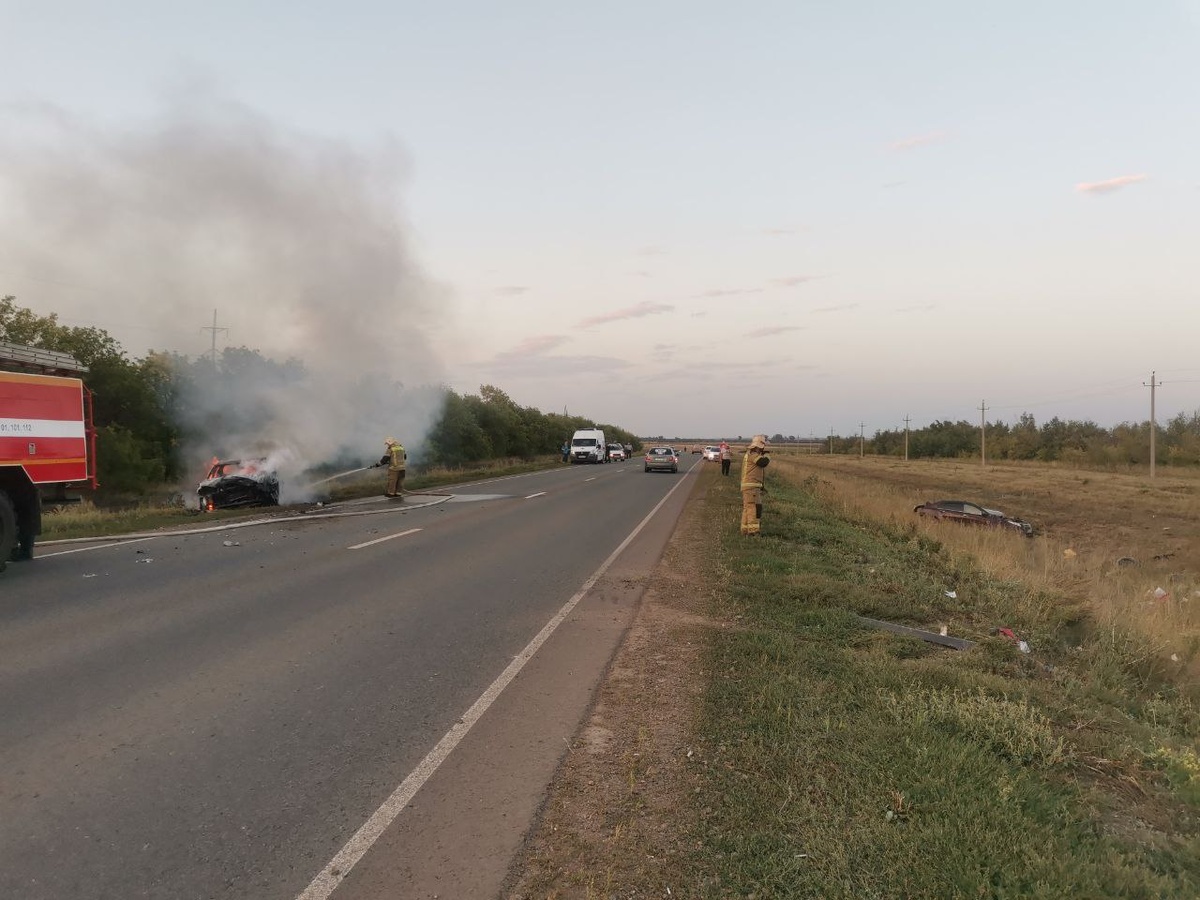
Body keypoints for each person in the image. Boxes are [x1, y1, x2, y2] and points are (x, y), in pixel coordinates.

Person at [740, 434, 770, 535]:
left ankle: (745, 529)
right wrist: (767, 455)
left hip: (749, 486)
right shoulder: (753, 455)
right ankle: (753, 531)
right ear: (758, 446)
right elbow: (763, 463)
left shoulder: (749, 454)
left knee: (748, 508)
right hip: (751, 487)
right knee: (753, 508)